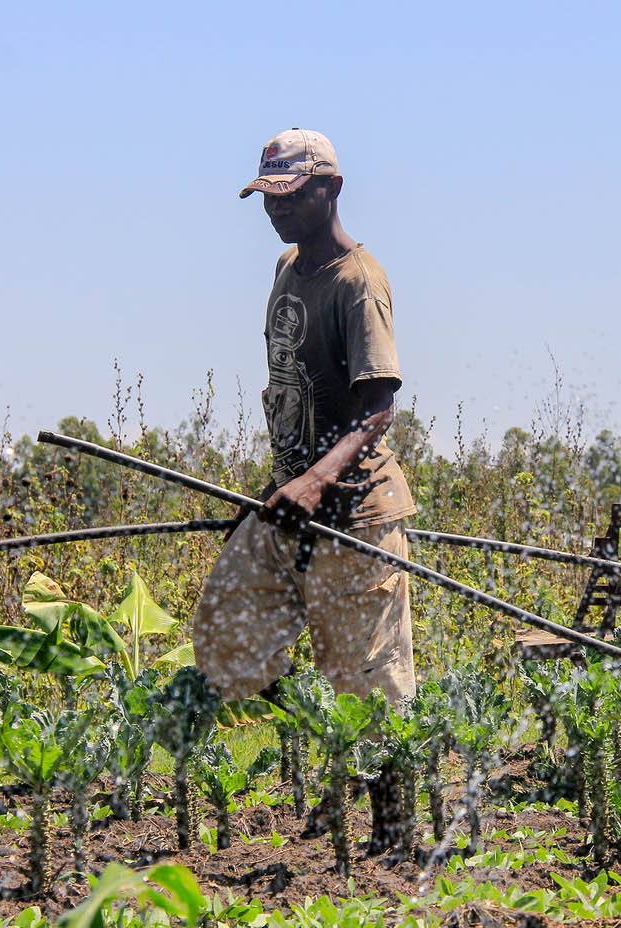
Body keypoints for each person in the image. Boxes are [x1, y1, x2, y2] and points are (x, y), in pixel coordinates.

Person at [191, 128, 416, 849]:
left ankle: (392, 832)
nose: (277, 210)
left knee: (368, 676)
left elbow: (378, 407)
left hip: (357, 511)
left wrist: (318, 481)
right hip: (296, 503)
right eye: (268, 197)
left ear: (331, 190)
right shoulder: (287, 269)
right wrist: (277, 489)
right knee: (226, 634)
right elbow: (296, 396)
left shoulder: (360, 282)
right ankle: (336, 751)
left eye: (290, 195)